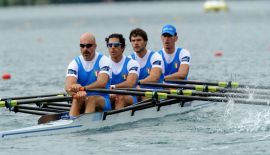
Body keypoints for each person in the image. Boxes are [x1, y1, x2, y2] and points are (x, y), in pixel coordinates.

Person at [65, 32, 112, 118]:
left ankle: (85, 126)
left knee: (91, 99)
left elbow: (102, 82)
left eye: (88, 46)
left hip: (103, 100)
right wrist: (75, 90)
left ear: (95, 46)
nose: (85, 49)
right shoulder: (74, 63)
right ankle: (71, 122)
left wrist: (83, 88)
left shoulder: (104, 60)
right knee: (76, 97)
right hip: (83, 98)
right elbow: (68, 87)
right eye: (82, 46)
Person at [106, 33, 140, 109]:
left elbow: (130, 83)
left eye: (116, 45)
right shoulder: (103, 63)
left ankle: (117, 120)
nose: (112, 48)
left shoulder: (132, 63)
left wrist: (113, 87)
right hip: (109, 95)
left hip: (129, 96)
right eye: (110, 45)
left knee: (119, 97)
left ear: (123, 48)